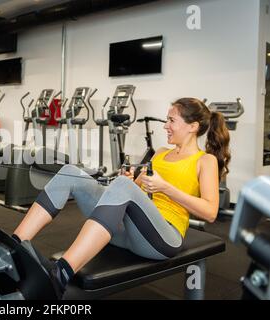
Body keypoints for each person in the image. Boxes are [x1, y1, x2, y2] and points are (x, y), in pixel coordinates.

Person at [12, 97, 230, 298]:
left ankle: (61, 274)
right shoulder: (161, 152)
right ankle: (15, 246)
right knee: (70, 171)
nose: (165, 125)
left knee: (124, 185)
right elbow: (137, 191)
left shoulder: (205, 160)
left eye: (171, 120)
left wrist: (165, 188)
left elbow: (210, 212)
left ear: (193, 127)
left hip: (163, 238)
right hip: (127, 231)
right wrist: (128, 181)